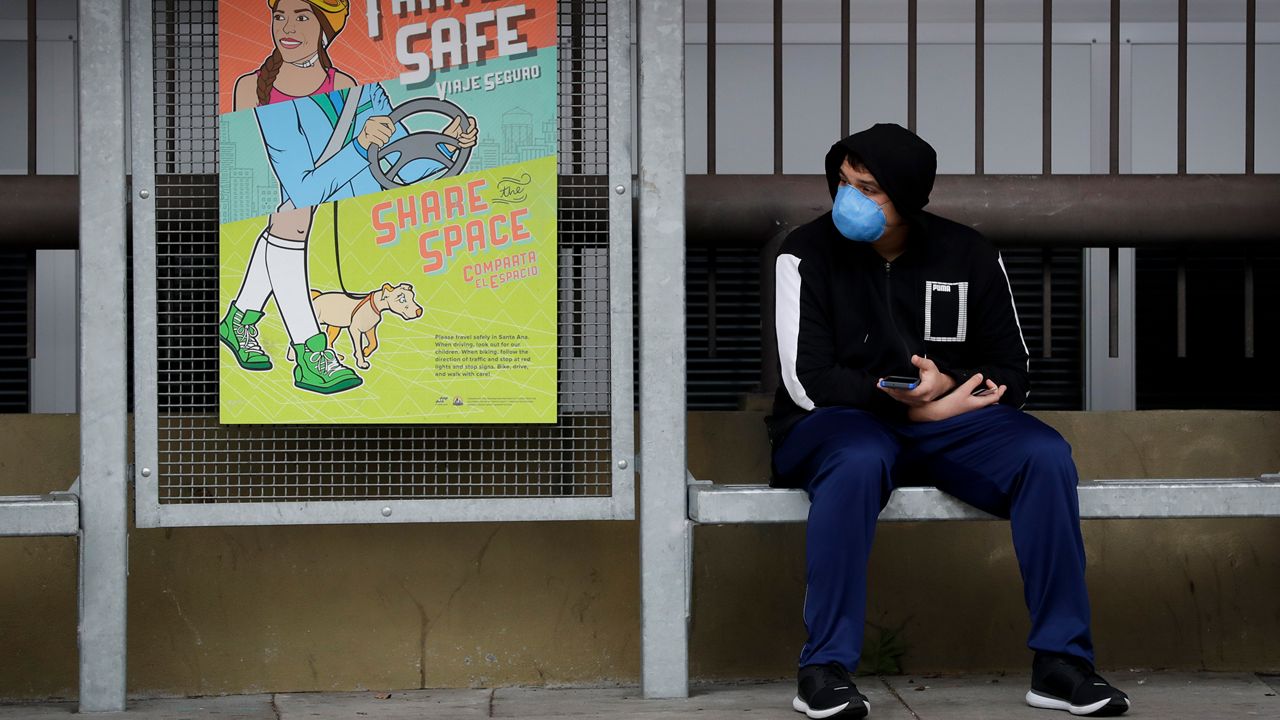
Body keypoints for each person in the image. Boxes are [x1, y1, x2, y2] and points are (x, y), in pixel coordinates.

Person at [768, 123, 1130, 719]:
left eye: (869, 189)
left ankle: (1062, 663)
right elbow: (807, 382)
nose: (849, 199)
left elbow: (1011, 368)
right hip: (835, 423)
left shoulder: (969, 252)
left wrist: (948, 395)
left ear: (907, 198)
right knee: (859, 460)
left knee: (1044, 456)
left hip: (951, 422)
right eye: (843, 183)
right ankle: (825, 668)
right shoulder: (803, 252)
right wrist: (912, 401)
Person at [219, 0, 478, 394]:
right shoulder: (253, 89)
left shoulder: (355, 88)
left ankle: (239, 319)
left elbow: (396, 163)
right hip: (279, 199)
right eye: (279, 16)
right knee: (293, 215)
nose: (287, 27)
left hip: (331, 200)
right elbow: (300, 186)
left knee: (288, 218)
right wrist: (359, 146)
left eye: (302, 17)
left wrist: (449, 146)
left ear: (326, 27)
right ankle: (309, 352)